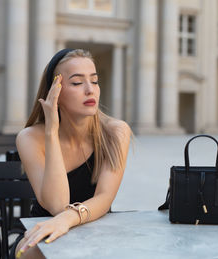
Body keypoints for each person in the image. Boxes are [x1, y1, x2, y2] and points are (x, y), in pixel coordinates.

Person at [14, 49, 131, 259]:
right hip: (46, 228)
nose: (90, 90)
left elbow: (104, 197)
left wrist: (68, 219)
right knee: (28, 253)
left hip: (95, 229)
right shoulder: (30, 137)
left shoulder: (116, 131)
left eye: (94, 81)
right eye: (77, 83)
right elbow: (58, 205)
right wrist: (51, 131)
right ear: (54, 92)